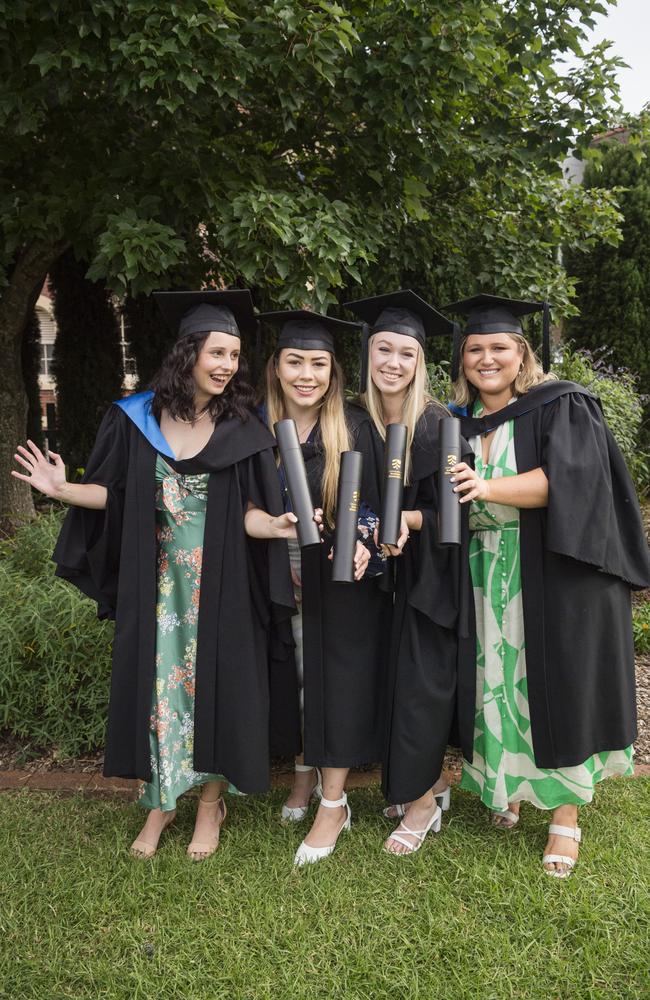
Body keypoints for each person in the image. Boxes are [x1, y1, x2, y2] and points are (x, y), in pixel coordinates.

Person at [12, 290, 302, 861]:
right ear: (188, 352)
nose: (227, 365)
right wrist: (62, 488)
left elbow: (252, 513)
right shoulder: (134, 418)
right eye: (217, 352)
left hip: (225, 585)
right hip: (161, 584)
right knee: (162, 695)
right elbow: (115, 495)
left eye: (235, 355)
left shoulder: (244, 427)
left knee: (221, 688)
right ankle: (162, 800)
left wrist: (273, 526)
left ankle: (211, 803)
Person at [445, 292, 650, 877]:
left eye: (499, 348)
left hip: (551, 568)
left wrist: (484, 486)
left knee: (551, 680)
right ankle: (508, 787)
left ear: (522, 352)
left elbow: (570, 483)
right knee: (496, 678)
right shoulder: (458, 422)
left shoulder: (562, 405)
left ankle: (564, 819)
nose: (487, 359)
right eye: (475, 349)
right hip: (486, 569)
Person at [259, 308, 390, 865]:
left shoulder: (354, 424)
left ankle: (333, 802)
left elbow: (382, 504)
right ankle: (302, 773)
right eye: (295, 362)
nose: (306, 374)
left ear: (334, 371)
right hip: (271, 561)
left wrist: (360, 537)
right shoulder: (251, 424)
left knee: (332, 677)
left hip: (338, 570)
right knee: (295, 673)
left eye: (318, 363)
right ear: (278, 367)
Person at [344, 290, 470, 856]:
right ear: (367, 355)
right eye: (383, 350)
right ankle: (422, 783)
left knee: (420, 685)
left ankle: (421, 803)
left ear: (421, 363)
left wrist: (408, 520)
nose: (393, 362)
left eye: (406, 354)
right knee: (387, 681)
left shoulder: (439, 425)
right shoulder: (351, 419)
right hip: (371, 570)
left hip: (427, 573)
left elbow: (456, 510)